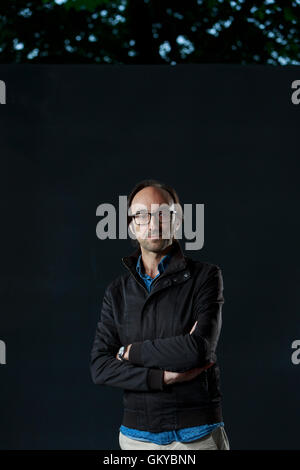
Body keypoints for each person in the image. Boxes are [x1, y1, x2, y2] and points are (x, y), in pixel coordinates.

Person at [90, 179, 230, 450]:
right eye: (142, 215)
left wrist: (129, 352)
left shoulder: (205, 277)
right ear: (131, 225)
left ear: (178, 220)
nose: (153, 223)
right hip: (136, 437)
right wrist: (164, 377)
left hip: (196, 435)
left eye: (163, 214)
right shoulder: (117, 292)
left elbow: (197, 349)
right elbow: (100, 366)